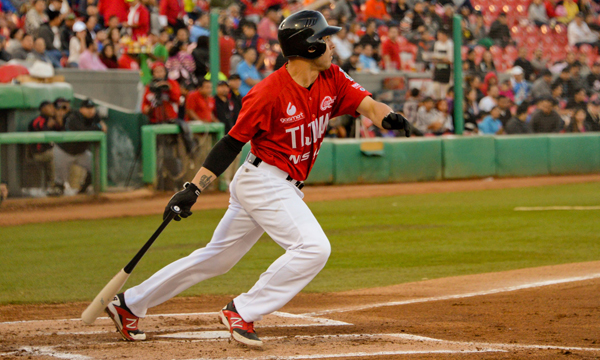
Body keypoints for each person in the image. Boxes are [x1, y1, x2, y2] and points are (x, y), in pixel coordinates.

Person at [105, 10, 411, 347]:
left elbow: (369, 106)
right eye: (324, 39)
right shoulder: (267, 93)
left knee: (217, 258)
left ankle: (129, 303)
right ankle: (243, 310)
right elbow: (230, 143)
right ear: (308, 47)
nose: (331, 45)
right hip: (263, 180)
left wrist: (389, 118)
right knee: (314, 247)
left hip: (281, 185)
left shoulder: (332, 77)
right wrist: (192, 189)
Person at [54, 99, 107, 194]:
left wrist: (99, 126)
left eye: (92, 108)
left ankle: (84, 188)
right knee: (60, 179)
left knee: (95, 165)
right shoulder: (74, 116)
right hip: (64, 151)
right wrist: (97, 127)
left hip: (81, 152)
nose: (90, 111)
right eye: (87, 108)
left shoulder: (94, 117)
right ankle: (58, 191)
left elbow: (104, 128)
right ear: (81, 109)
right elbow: (82, 130)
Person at [28, 101, 62, 195]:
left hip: (49, 152)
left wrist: (59, 119)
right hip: (39, 153)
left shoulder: (51, 120)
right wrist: (48, 126)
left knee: (52, 170)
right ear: (42, 109)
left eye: (52, 107)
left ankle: (52, 187)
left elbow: (61, 130)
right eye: (49, 107)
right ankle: (45, 188)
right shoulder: (38, 120)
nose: (52, 109)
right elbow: (40, 135)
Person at [431, 29, 453, 99]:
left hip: (446, 70)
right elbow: (435, 56)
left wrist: (440, 59)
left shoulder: (450, 44)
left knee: (445, 89)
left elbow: (450, 59)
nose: (438, 37)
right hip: (438, 69)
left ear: (444, 35)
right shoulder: (437, 44)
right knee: (436, 87)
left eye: (439, 35)